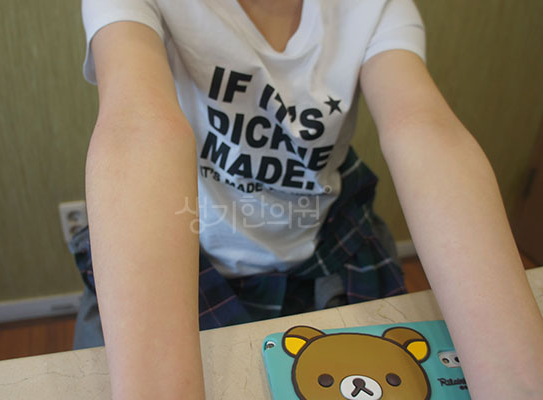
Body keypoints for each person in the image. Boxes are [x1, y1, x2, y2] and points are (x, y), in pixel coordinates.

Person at [74, 0, 543, 398]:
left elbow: (425, 130)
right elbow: (139, 128)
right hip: (185, 255)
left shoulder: (375, 8)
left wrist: (520, 381)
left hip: (320, 246)